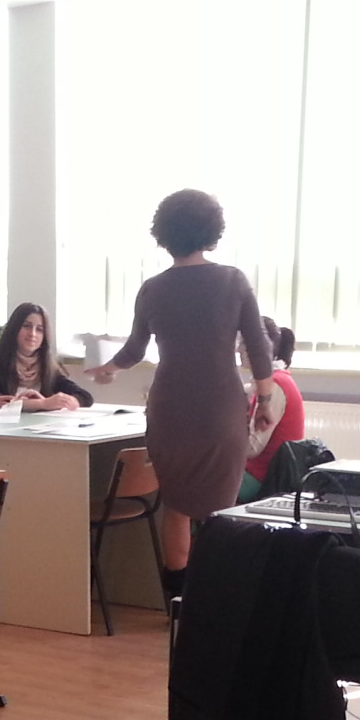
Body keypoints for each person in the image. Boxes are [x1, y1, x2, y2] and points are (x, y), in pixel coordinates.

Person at [86, 189, 275, 591]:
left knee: (176, 505)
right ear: (212, 230)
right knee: (220, 509)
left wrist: (108, 370)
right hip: (220, 411)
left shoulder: (153, 289)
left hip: (170, 410)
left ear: (164, 233)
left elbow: (134, 350)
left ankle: (178, 601)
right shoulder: (233, 281)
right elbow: (259, 347)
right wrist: (266, 399)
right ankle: (215, 596)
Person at [0, 302, 92, 412]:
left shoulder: (49, 367)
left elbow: (85, 396)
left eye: (39, 329)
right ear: (14, 329)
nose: (32, 334)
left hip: (41, 426)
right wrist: (42, 404)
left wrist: (68, 401)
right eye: (26, 326)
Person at [238, 316, 305, 503]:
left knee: (189, 478)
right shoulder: (274, 380)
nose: (238, 349)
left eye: (243, 343)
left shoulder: (275, 385)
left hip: (261, 478)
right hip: (257, 472)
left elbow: (252, 448)